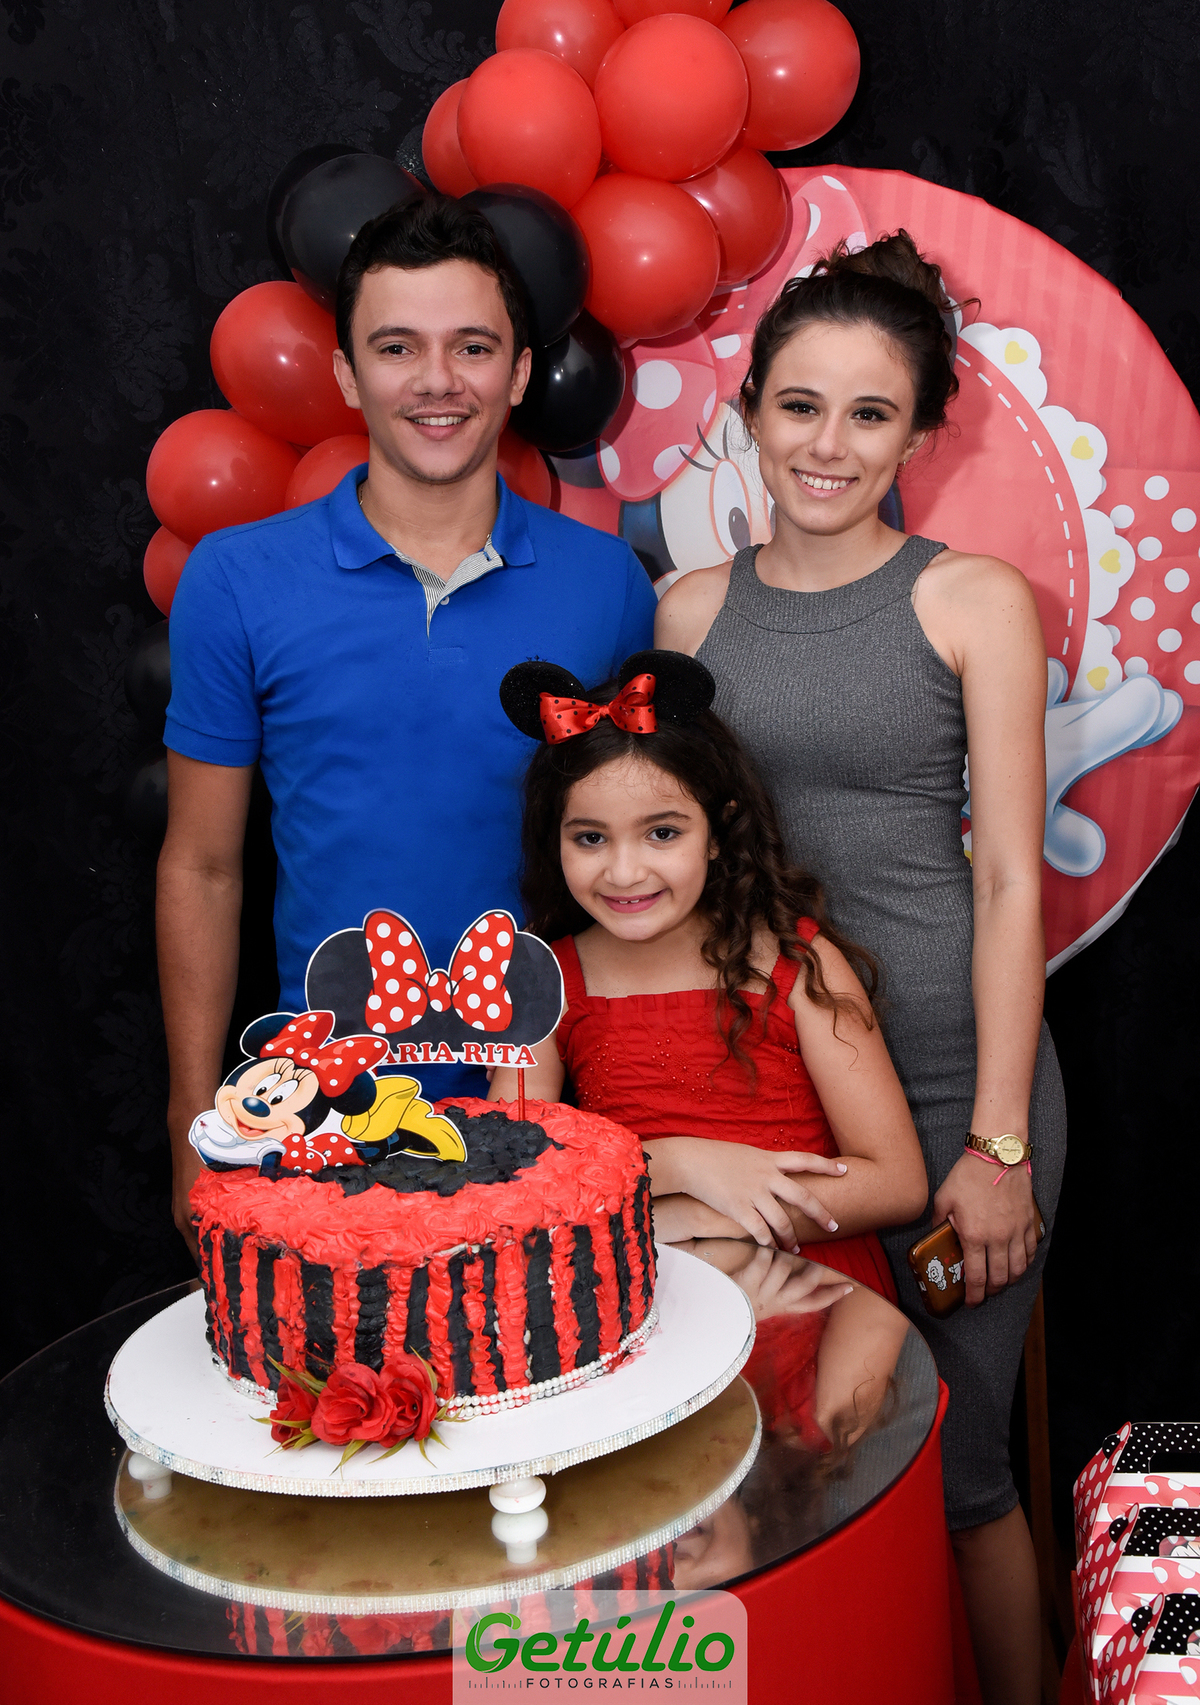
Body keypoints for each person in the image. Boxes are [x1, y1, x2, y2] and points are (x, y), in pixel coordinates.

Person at [654, 232, 1068, 1705]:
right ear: (749, 413)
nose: (828, 444)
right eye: (800, 405)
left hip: (957, 1077)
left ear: (920, 435)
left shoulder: (974, 600)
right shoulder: (689, 614)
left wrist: (998, 1146)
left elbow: (1010, 881)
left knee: (958, 1469)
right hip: (771, 1090)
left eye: (871, 412)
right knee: (778, 1463)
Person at [159, 194, 656, 1250]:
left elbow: (639, 852)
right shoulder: (238, 579)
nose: (438, 380)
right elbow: (201, 867)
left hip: (549, 1099)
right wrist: (188, 1117)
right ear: (347, 373)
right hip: (323, 1112)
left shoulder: (607, 583)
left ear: (518, 372)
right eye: (397, 348)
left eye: (472, 346)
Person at [491, 650, 928, 1300]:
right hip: (648, 1292)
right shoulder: (542, 978)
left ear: (718, 832)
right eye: (591, 838)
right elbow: (510, 1172)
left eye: (662, 833)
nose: (625, 872)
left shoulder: (795, 959)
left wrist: (706, 1220)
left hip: (816, 1288)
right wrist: (676, 1163)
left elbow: (896, 1182)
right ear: (554, 840)